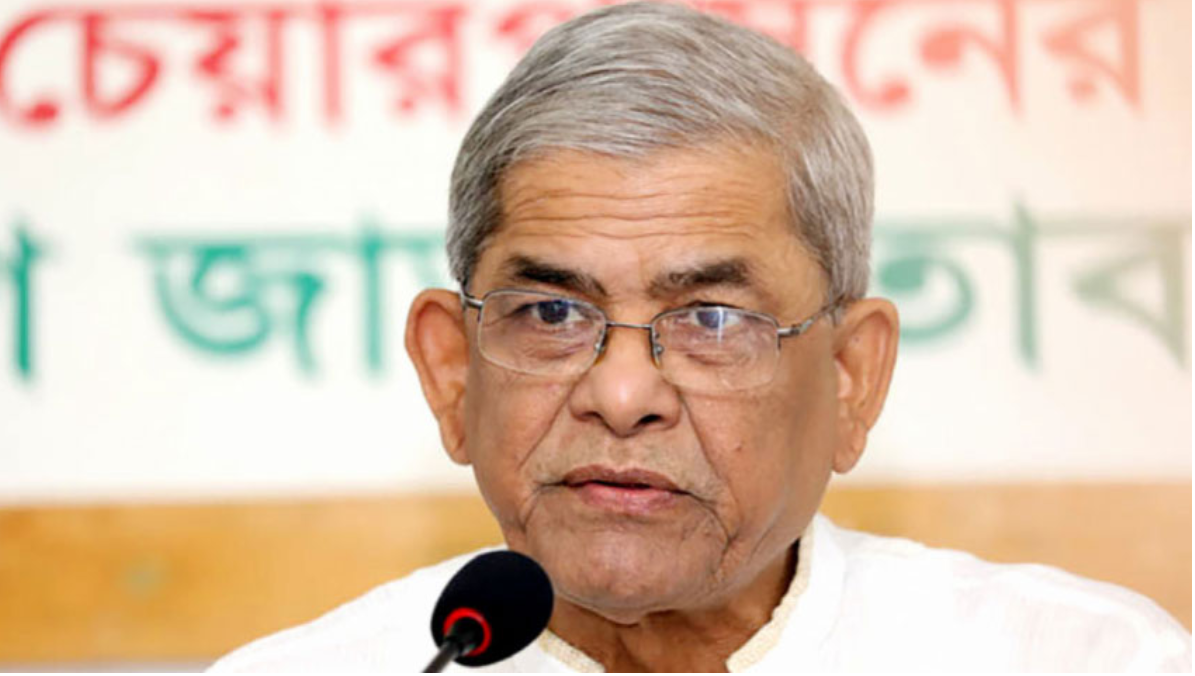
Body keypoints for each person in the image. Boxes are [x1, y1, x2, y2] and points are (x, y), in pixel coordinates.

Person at [210, 2, 1191, 671]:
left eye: (712, 319)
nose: (621, 395)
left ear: (849, 377)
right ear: (451, 371)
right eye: (551, 313)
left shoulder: (1087, 660)